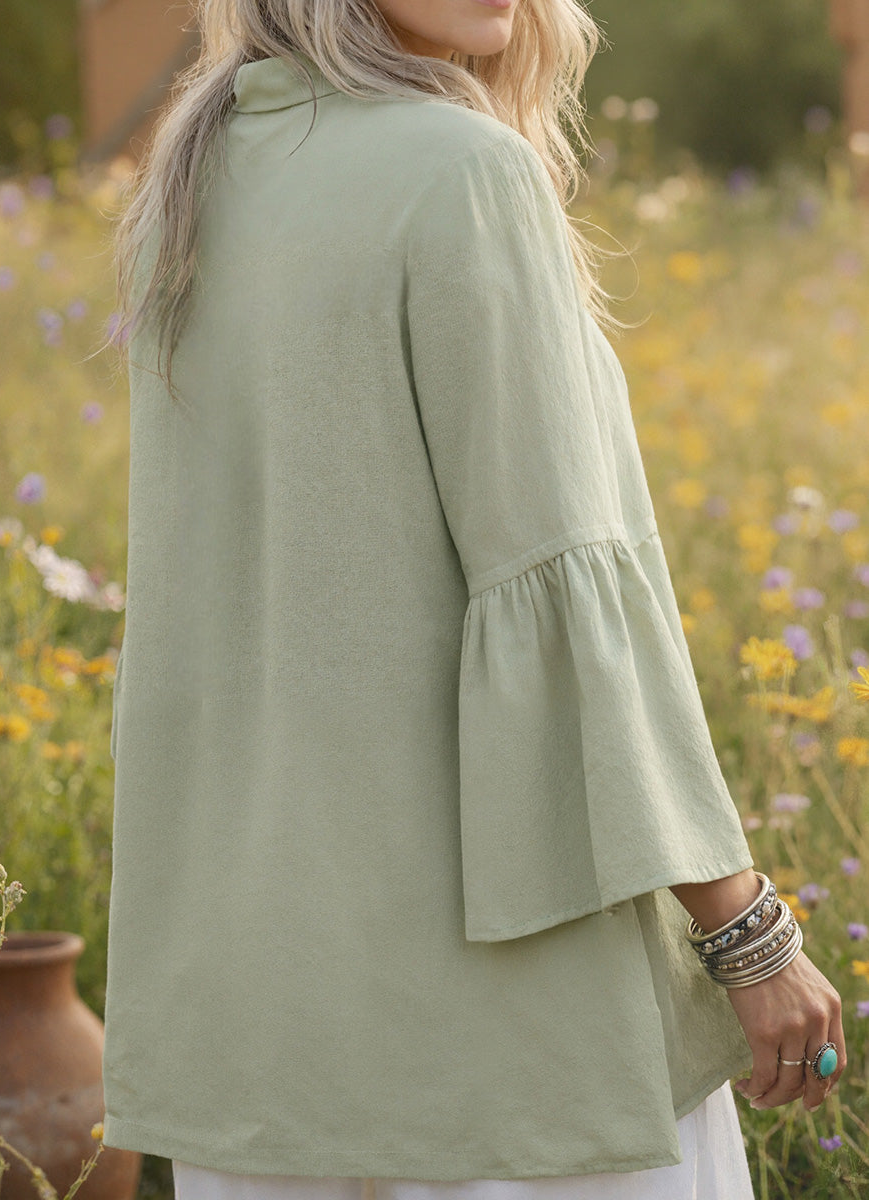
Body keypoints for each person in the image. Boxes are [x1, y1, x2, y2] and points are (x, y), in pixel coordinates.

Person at [100, 1, 846, 1197]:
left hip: (264, 1017)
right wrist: (745, 930)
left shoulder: (198, 169)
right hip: (506, 1027)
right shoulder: (461, 169)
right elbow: (560, 589)